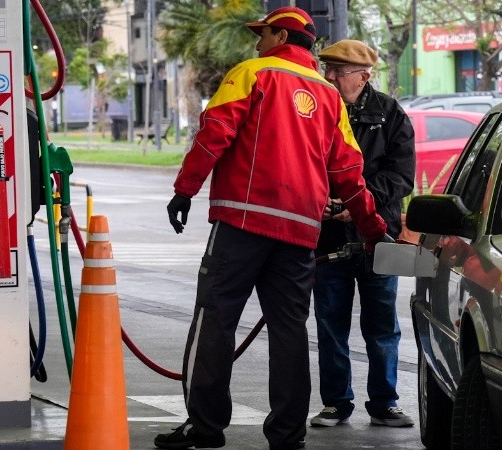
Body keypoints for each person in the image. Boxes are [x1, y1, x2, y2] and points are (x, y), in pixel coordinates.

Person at [155, 8, 388, 450]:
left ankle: (206, 428)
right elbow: (350, 174)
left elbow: (215, 131)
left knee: (216, 319)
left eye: (262, 35)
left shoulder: (252, 73)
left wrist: (185, 189)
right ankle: (287, 436)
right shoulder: (329, 96)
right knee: (289, 331)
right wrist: (373, 230)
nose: (257, 43)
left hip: (242, 220)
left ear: (282, 34)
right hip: (300, 232)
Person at [309, 40, 416, 429]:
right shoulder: (315, 109)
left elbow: (401, 178)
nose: (331, 77)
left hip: (376, 236)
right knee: (330, 323)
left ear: (365, 76)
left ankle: (385, 402)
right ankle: (336, 402)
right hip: (327, 238)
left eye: (339, 72)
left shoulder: (391, 114)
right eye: (329, 70)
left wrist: (353, 203)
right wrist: (322, 201)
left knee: (382, 326)